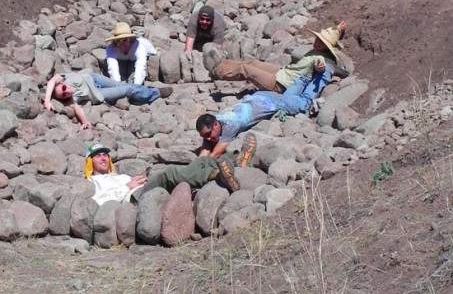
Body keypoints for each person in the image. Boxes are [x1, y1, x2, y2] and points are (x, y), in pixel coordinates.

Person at [84, 138, 257, 204]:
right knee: (171, 173)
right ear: (90, 162)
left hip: (145, 191)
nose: (103, 158)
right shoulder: (92, 182)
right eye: (98, 156)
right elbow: (99, 203)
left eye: (105, 155)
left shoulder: (119, 175)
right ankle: (222, 172)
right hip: (135, 200)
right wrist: (127, 186)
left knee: (202, 161)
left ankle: (235, 160)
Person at [196, 73, 330, 158]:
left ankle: (324, 73)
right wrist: (203, 153)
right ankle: (305, 77)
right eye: (204, 136)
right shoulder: (217, 119)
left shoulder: (231, 124)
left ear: (215, 125)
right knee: (287, 98)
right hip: (258, 98)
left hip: (270, 103)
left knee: (304, 103)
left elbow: (214, 154)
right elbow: (206, 148)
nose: (208, 138)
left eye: (208, 134)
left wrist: (201, 165)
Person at [203, 22, 348, 93]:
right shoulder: (318, 50)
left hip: (281, 85)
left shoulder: (322, 58)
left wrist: (320, 67)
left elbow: (320, 64)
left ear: (326, 47)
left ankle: (216, 71)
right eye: (317, 39)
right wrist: (338, 29)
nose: (316, 42)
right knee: (252, 61)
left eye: (321, 42)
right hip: (283, 71)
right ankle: (221, 62)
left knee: (246, 69)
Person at [44, 72, 173, 130]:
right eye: (64, 95)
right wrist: (85, 122)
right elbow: (78, 109)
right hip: (99, 94)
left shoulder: (63, 77)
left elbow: (51, 81)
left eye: (64, 88)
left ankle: (146, 90)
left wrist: (47, 101)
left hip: (94, 78)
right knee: (128, 89)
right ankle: (155, 92)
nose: (67, 92)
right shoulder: (71, 99)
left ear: (61, 83)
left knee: (120, 84)